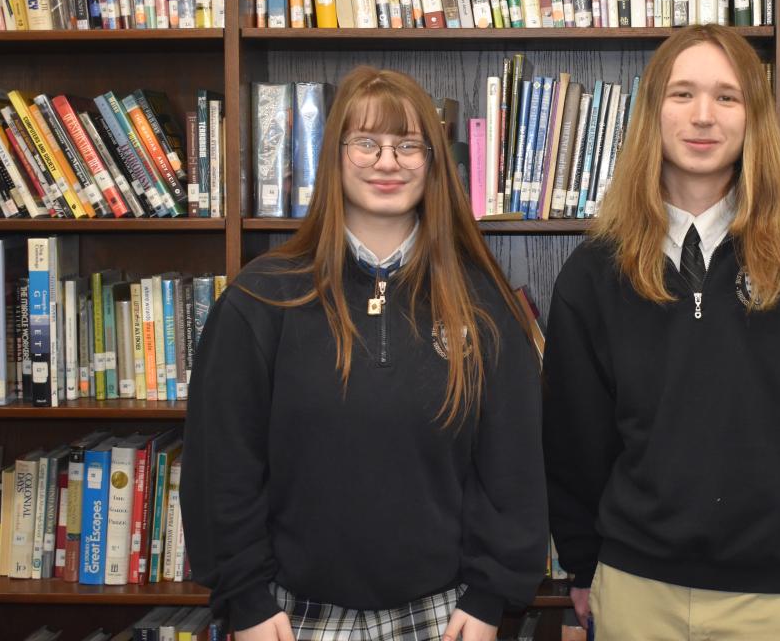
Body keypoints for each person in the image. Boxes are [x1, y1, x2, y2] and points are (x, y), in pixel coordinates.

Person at [542, 25, 780, 640]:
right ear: (651, 113)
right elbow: (573, 439)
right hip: (632, 585)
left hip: (766, 594)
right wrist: (581, 562)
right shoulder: (594, 271)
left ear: (753, 116)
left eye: (727, 97)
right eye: (682, 94)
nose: (703, 116)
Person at [181, 67, 547, 641]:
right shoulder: (262, 299)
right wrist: (245, 599)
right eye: (366, 143)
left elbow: (514, 467)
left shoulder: (483, 304)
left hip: (446, 617)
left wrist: (489, 596)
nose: (387, 162)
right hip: (287, 617)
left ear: (434, 163)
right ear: (333, 156)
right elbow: (222, 462)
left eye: (408, 145)